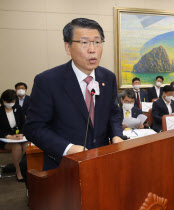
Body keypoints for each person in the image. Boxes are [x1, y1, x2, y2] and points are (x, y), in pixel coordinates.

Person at [24, 18, 123, 171]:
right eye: (84, 43)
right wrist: (67, 149)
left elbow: (113, 113)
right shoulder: (48, 81)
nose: (92, 49)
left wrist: (116, 135)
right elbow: (34, 127)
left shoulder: (108, 78)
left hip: (102, 162)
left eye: (97, 42)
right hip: (63, 167)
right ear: (68, 47)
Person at [0, 90, 27, 181]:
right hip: (5, 139)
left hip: (19, 137)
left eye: (13, 102)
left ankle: (24, 168)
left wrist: (21, 133)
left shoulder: (18, 109)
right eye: (9, 102)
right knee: (17, 147)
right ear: (3, 100)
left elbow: (24, 124)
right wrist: (8, 136)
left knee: (27, 145)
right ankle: (18, 171)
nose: (11, 104)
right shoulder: (0, 111)